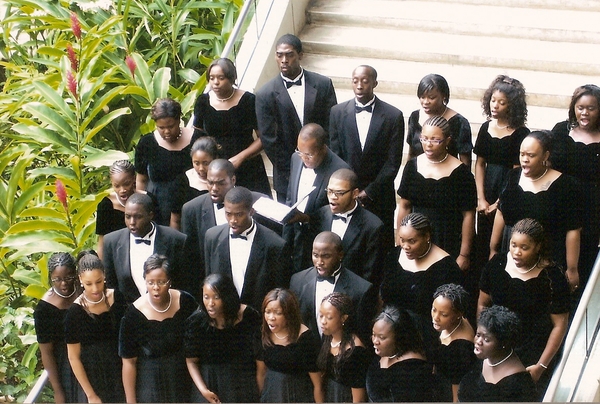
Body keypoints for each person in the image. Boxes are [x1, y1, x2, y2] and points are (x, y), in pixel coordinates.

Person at [480, 218, 570, 394]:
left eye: (524, 247)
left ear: (537, 247)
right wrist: (484, 341)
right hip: (497, 346)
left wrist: (541, 366)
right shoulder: (497, 264)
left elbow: (560, 325)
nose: (516, 252)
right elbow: (482, 304)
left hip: (532, 353)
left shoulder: (552, 277)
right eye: (513, 245)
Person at [490, 131, 583, 290]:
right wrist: (493, 249)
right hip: (513, 251)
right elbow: (501, 212)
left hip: (548, 255)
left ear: (545, 155)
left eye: (531, 155)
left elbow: (573, 230)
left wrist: (572, 268)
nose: (524, 159)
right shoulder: (513, 176)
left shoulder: (566, 185)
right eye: (522, 154)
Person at [256, 34, 337, 203]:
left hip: (323, 167)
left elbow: (331, 126)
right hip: (287, 175)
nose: (284, 60)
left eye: (289, 55)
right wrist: (295, 167)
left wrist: (321, 159)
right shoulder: (265, 94)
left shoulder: (323, 84)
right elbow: (269, 139)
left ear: (300, 55)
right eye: (279, 55)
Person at [330, 65, 403, 247]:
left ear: (374, 83)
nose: (359, 86)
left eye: (365, 81)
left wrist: (369, 192)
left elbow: (393, 163)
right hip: (347, 195)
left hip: (379, 197)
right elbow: (335, 155)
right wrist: (349, 191)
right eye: (355, 81)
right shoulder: (337, 112)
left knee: (380, 247)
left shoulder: (393, 116)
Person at [397, 116, 476, 270]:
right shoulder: (412, 167)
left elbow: (469, 215)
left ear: (447, 141)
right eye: (424, 139)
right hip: (416, 238)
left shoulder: (461, 173)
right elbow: (404, 206)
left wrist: (464, 255)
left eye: (435, 140)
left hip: (448, 239)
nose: (428, 144)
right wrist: (400, 242)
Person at [119, 254, 197, 403]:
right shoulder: (133, 314)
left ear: (170, 281)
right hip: (150, 384)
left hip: (183, 378)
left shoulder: (186, 302)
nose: (155, 288)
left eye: (161, 282)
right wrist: (131, 401)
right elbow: (129, 362)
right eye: (150, 282)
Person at [381, 213, 463, 352]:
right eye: (402, 240)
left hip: (425, 340)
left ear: (427, 237)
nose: (405, 246)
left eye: (412, 241)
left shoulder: (446, 267)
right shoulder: (394, 256)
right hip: (392, 334)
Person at [192, 58, 271, 195]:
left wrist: (241, 157)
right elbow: (197, 136)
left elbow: (263, 137)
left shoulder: (248, 100)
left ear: (231, 78)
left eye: (221, 78)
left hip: (248, 166)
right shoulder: (203, 101)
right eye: (212, 78)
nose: (215, 82)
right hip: (216, 170)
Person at [204, 186, 291, 311]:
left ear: (251, 211)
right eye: (228, 214)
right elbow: (209, 281)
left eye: (239, 215)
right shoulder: (212, 237)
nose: (233, 220)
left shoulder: (275, 245)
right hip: (223, 315)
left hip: (257, 316)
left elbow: (279, 292)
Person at [473, 75, 529, 267]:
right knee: (482, 242)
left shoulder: (521, 133)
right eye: (493, 100)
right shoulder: (485, 128)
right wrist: (481, 198)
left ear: (512, 106)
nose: (495, 106)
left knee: (499, 243)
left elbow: (517, 172)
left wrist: (498, 203)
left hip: (507, 190)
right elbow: (480, 164)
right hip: (487, 189)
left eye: (501, 102)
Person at [290, 231, 377, 347]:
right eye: (315, 255)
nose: (319, 262)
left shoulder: (361, 289)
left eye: (326, 256)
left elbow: (362, 334)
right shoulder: (297, 281)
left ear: (340, 255)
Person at [550, 84, 600, 287]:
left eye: (591, 108)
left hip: (591, 211)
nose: (584, 113)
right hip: (560, 206)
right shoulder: (561, 131)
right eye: (580, 107)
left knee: (584, 263)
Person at [185, 274, 262, 403]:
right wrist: (203, 390)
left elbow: (260, 362)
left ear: (227, 297)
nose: (210, 303)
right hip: (209, 385)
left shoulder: (249, 317)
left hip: (242, 385)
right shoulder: (196, 322)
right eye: (206, 297)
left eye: (216, 297)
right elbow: (191, 361)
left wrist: (257, 392)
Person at [284, 123, 349, 273]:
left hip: (320, 244)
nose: (303, 158)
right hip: (295, 237)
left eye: (309, 155)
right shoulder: (296, 158)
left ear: (323, 148)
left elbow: (337, 214)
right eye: (300, 152)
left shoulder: (340, 170)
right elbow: (290, 197)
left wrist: (307, 219)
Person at [103, 193, 189, 303]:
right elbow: (111, 287)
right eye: (128, 216)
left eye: (138, 217)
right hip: (128, 311)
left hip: (168, 308)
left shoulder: (176, 240)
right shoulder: (111, 242)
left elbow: (184, 284)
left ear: (150, 215)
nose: (132, 222)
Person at [65, 251, 126, 403]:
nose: (95, 289)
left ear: (104, 275)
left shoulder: (117, 298)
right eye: (89, 284)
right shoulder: (74, 313)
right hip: (94, 377)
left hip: (121, 368)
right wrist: (91, 395)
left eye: (98, 282)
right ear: (80, 279)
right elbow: (73, 357)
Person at [311, 168, 385, 286]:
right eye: (329, 191)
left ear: (355, 193)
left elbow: (371, 273)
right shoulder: (320, 215)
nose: (332, 197)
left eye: (339, 193)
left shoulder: (373, 226)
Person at [135, 98, 201, 228]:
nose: (166, 131)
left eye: (171, 126)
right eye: (161, 127)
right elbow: (141, 180)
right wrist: (141, 208)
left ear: (179, 120)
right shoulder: (147, 143)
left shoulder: (198, 139)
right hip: (158, 207)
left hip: (192, 203)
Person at [458, 305, 538, 402]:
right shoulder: (479, 359)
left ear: (503, 343)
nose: (478, 341)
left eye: (486, 339)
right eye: (478, 335)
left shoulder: (520, 385)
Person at [257, 288, 323, 402]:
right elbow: (261, 372)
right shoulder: (262, 333)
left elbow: (317, 384)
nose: (271, 317)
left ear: (289, 314)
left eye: (278, 313)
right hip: (270, 394)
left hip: (297, 395)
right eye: (267, 312)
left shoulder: (305, 338)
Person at [366, 306, 441, 402]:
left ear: (399, 337)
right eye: (373, 334)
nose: (375, 341)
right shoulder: (383, 351)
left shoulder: (412, 371)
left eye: (382, 337)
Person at [34, 252, 80, 403]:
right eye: (57, 279)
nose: (64, 283)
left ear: (75, 274)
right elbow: (46, 352)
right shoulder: (44, 310)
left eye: (68, 277)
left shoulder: (84, 292)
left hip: (91, 357)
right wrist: (58, 390)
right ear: (50, 278)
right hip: (66, 366)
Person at [95, 160, 158, 259]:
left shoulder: (148, 199)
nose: (122, 190)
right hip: (117, 257)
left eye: (126, 184)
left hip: (148, 254)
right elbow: (102, 243)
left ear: (134, 178)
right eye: (117, 186)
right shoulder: (106, 205)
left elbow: (159, 232)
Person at [406, 74, 473, 166]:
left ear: (443, 96)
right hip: (419, 172)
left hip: (448, 173)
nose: (425, 102)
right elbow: (411, 153)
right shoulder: (415, 117)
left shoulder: (459, 122)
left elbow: (465, 161)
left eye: (431, 97)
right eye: (422, 97)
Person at [316, 292, 371, 403]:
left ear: (343, 318)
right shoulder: (327, 337)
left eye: (329, 317)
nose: (323, 321)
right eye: (321, 316)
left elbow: (359, 398)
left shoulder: (356, 351)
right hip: (329, 394)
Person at [430, 283, 476, 402]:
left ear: (458, 314)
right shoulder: (450, 324)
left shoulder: (460, 348)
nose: (436, 317)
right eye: (434, 310)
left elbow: (457, 390)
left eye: (444, 314)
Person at [183, 136, 220, 201]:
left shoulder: (223, 179)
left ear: (215, 159)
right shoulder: (185, 179)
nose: (201, 168)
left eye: (206, 163)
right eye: (196, 163)